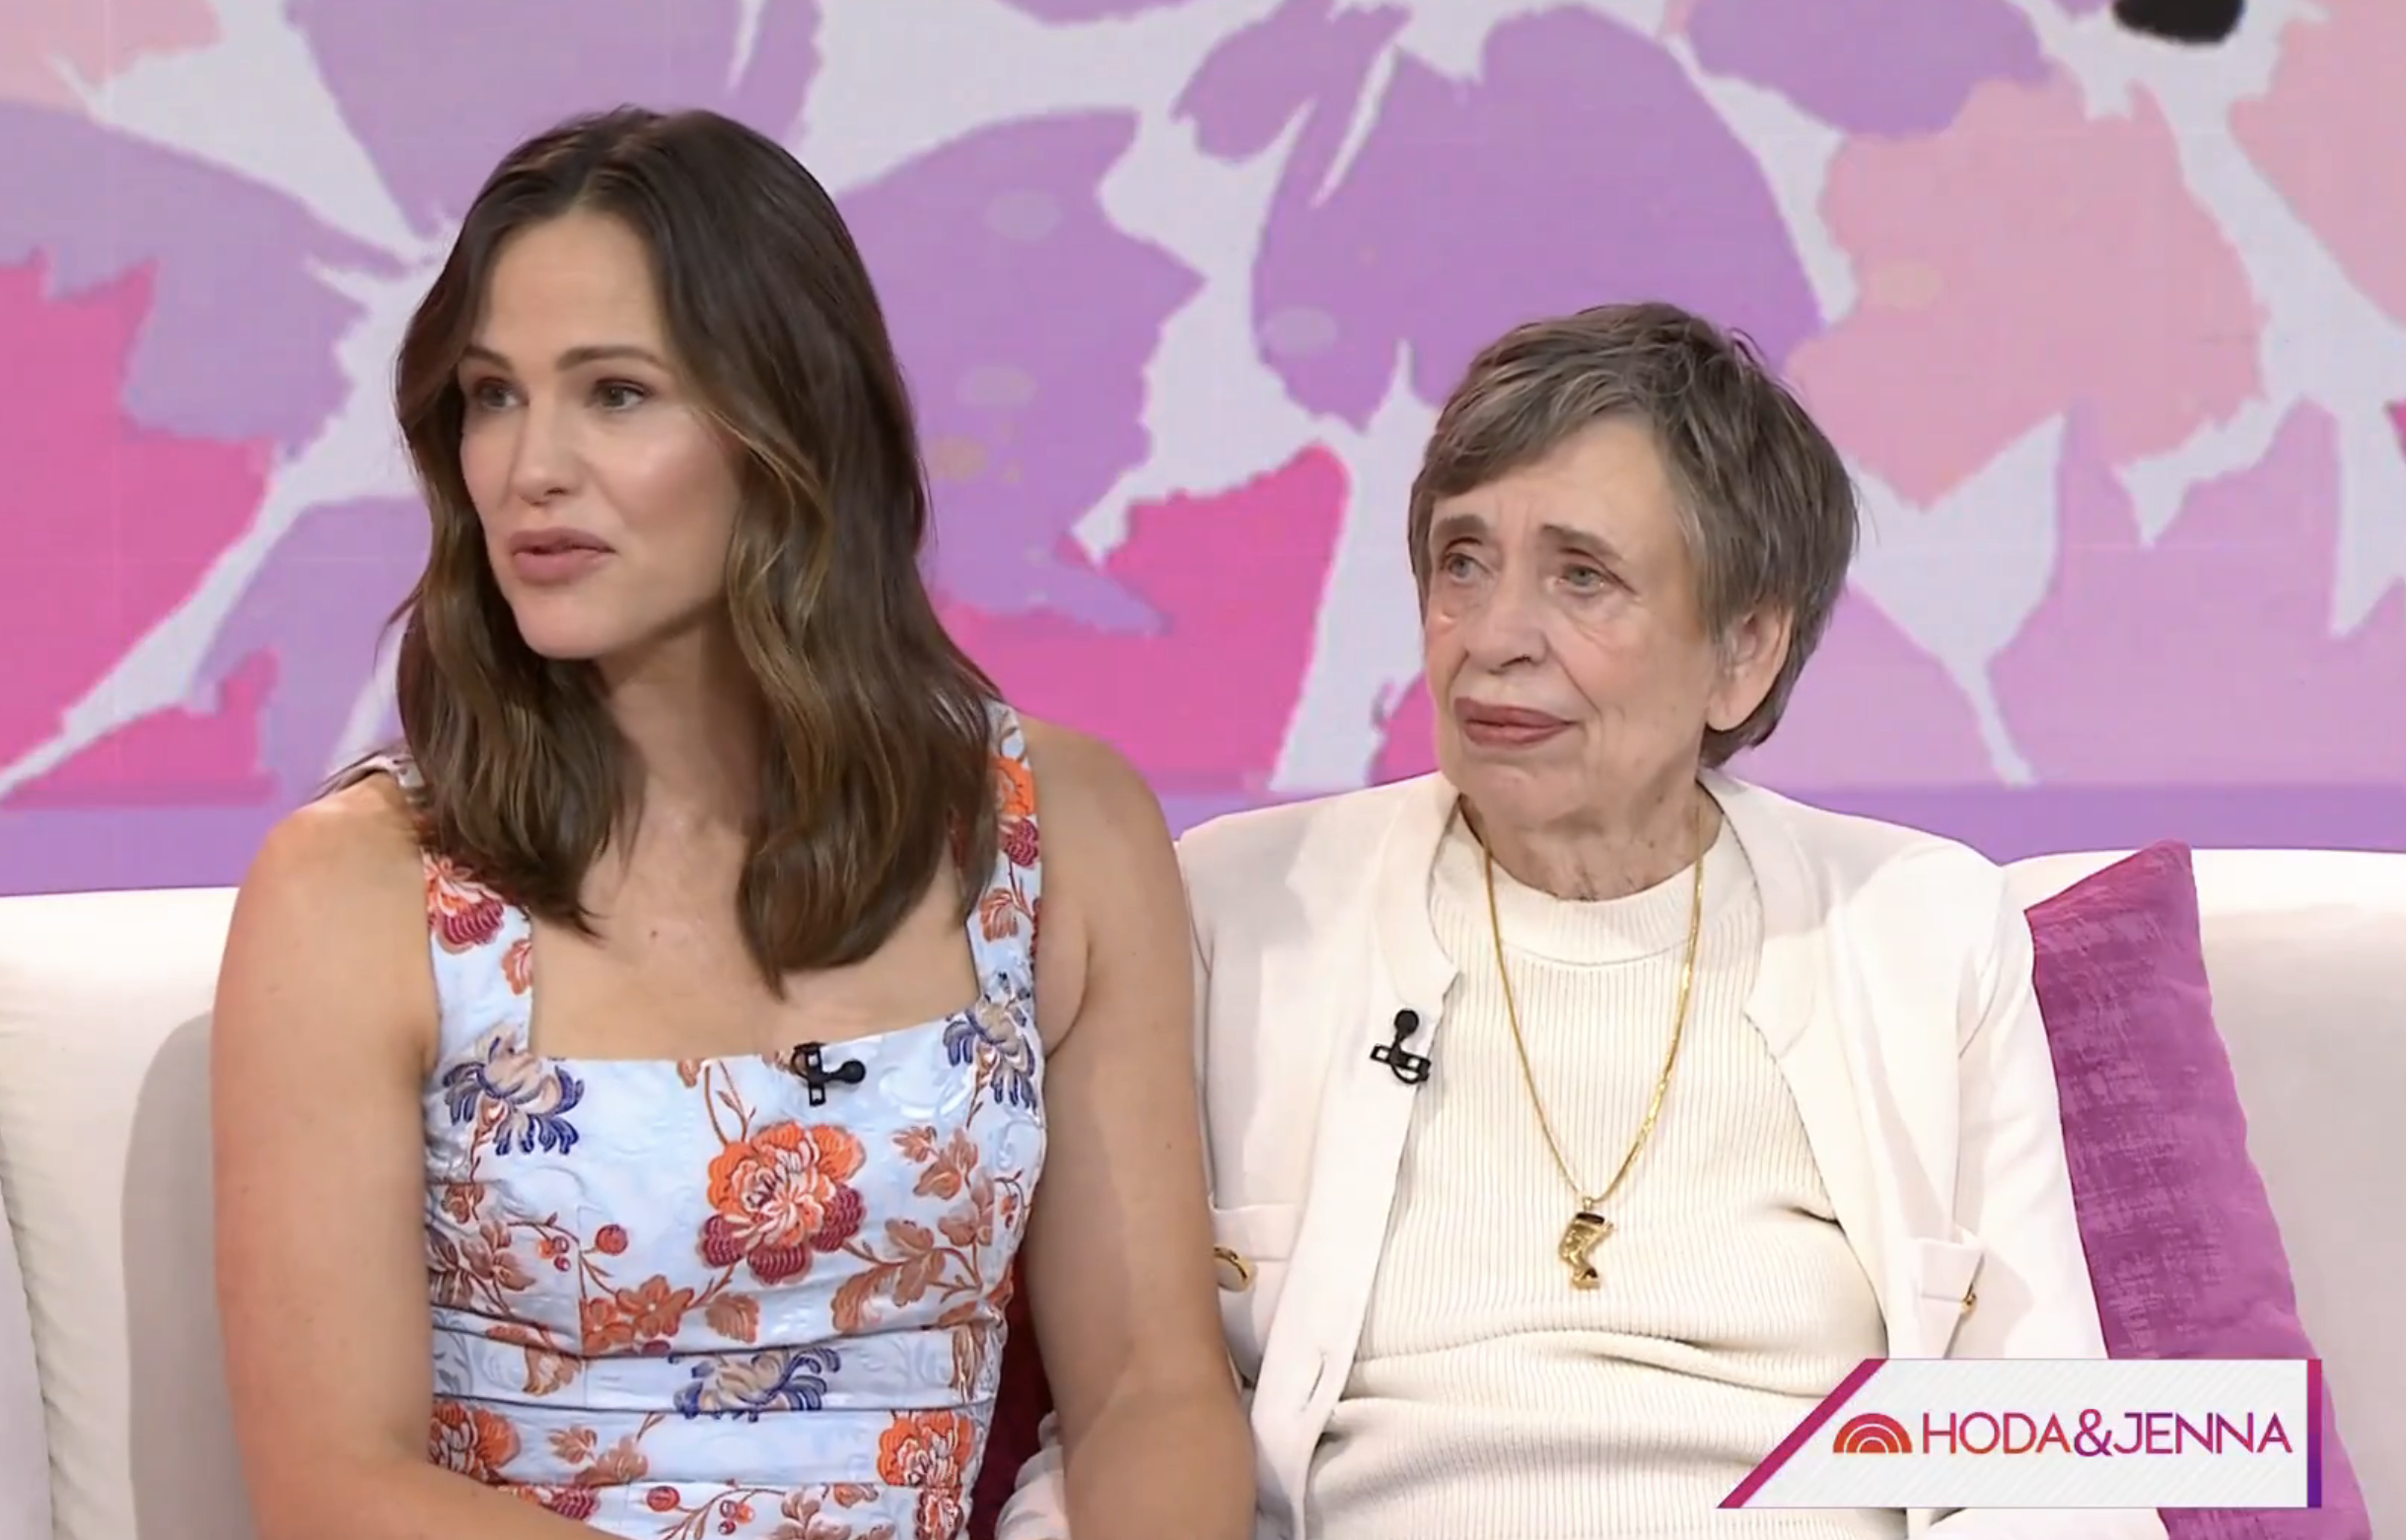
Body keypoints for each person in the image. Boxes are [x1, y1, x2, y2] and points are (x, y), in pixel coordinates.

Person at [209, 106, 1252, 1540]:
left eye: (617, 393)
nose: (530, 469)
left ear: (790, 426)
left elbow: (1149, 1386)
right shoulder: (358, 888)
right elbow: (340, 1486)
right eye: (493, 395)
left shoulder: (1059, 831)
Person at [999, 303, 2166, 1540]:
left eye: (1582, 576)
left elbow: (2046, 1450)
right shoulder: (1243, 909)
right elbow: (1114, 1429)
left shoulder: (1920, 926)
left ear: (1745, 649)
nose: (1494, 639)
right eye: (1461, 561)